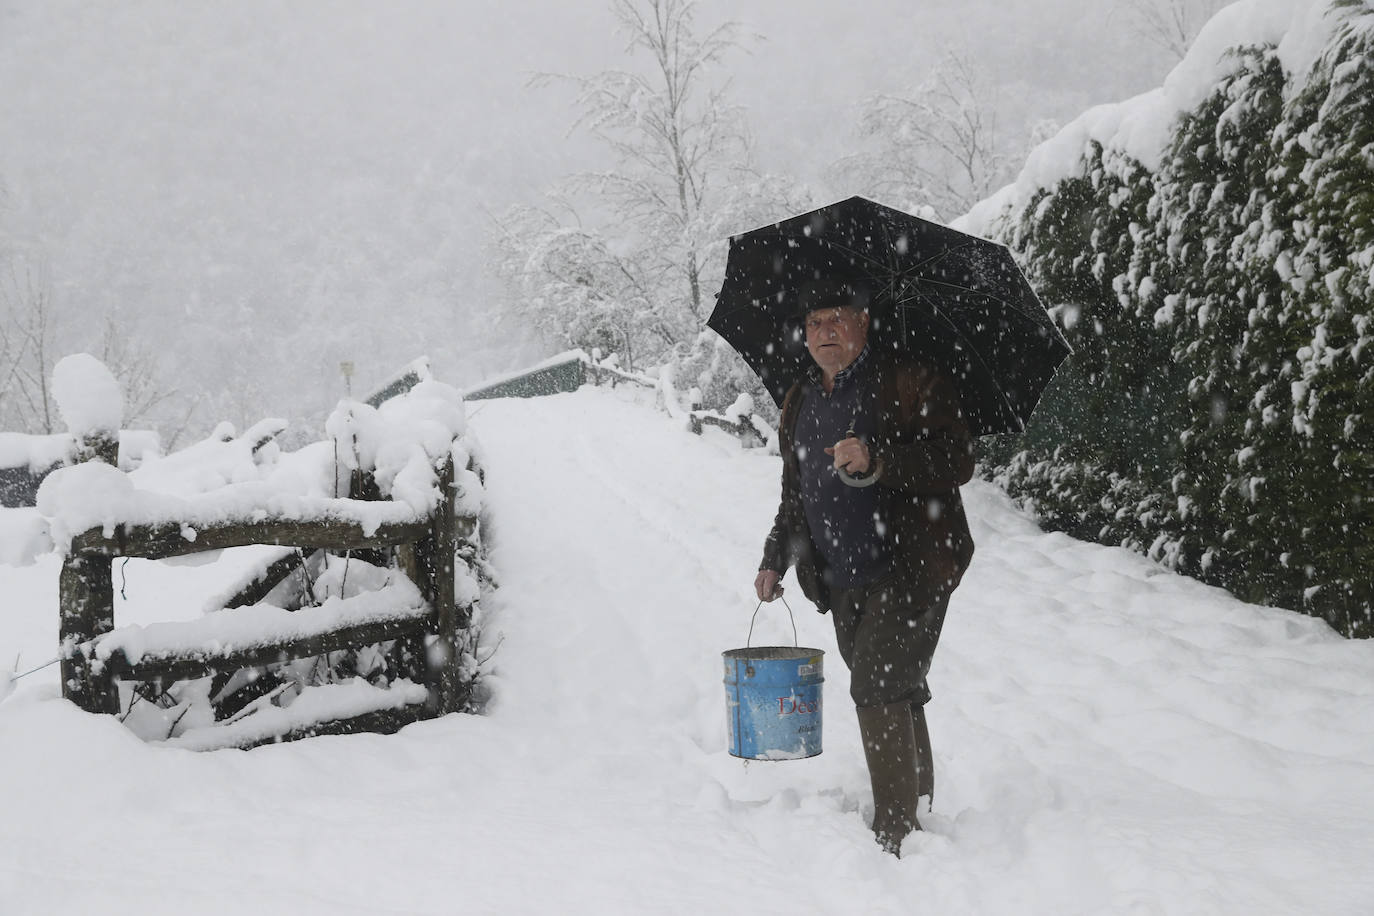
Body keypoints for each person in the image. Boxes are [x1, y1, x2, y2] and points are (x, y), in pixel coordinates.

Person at [753, 277, 975, 856]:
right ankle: (921, 800)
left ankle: (896, 835)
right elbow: (795, 492)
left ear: (863, 323)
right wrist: (775, 557)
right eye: (813, 325)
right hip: (839, 575)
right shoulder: (800, 401)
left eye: (836, 320)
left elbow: (957, 458)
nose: (824, 333)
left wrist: (880, 459)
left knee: (876, 686)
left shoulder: (908, 380)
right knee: (894, 685)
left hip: (912, 565)